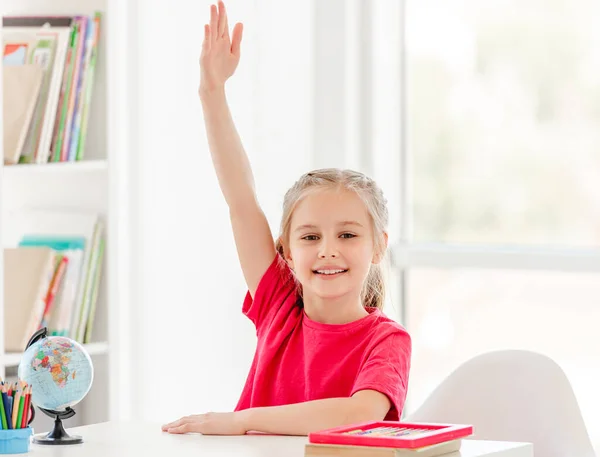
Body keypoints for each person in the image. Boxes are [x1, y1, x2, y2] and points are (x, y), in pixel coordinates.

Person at [161, 1, 411, 436]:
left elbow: (360, 414)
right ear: (287, 253)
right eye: (310, 237)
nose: (328, 249)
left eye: (348, 234)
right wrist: (211, 92)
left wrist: (242, 421)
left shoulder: (386, 340)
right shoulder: (278, 304)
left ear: (378, 247)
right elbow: (240, 199)